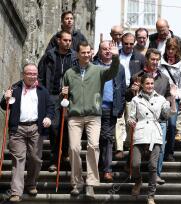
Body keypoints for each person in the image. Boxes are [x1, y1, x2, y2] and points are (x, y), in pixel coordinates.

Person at [61, 41, 119, 198]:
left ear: (91, 53)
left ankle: (91, 184)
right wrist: (63, 93)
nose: (86, 55)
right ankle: (76, 182)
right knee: (73, 148)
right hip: (74, 116)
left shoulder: (98, 70)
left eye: (88, 52)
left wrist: (115, 57)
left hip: (94, 115)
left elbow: (113, 72)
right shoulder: (69, 73)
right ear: (77, 54)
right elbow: (63, 96)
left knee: (93, 146)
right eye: (83, 52)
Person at [0, 63, 54, 202]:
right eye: (29, 73)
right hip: (18, 129)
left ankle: (31, 183)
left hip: (36, 128)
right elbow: (4, 106)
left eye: (34, 73)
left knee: (35, 159)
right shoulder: (15, 88)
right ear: (23, 74)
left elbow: (51, 106)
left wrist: (48, 117)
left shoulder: (42, 90)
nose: (32, 76)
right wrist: (5, 97)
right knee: (18, 159)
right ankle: (16, 191)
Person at [128, 73, 176, 204]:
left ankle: (151, 195)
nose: (149, 86)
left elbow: (167, 115)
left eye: (151, 83)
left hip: (155, 133)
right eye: (147, 83)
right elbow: (131, 116)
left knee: (153, 166)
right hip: (140, 133)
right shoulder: (135, 100)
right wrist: (131, 121)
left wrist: (172, 98)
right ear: (142, 85)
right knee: (135, 164)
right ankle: (138, 181)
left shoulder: (161, 99)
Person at [126, 48, 171, 185]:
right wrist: (132, 90)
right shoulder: (137, 76)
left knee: (160, 148)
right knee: (136, 150)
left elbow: (168, 95)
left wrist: (169, 102)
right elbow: (128, 97)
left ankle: (156, 174)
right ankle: (134, 174)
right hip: (141, 121)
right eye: (153, 59)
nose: (155, 62)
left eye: (158, 60)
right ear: (147, 59)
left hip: (159, 121)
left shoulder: (164, 78)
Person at [38, 30, 77, 172]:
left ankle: (65, 152)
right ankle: (54, 159)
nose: (68, 43)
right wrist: (43, 94)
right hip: (52, 95)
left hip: (70, 97)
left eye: (70, 40)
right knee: (54, 128)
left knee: (67, 125)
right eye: (65, 40)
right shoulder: (48, 57)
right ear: (58, 40)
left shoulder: (75, 57)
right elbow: (40, 77)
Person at [92, 40, 126, 182]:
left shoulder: (119, 68)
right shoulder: (93, 66)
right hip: (94, 108)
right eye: (104, 49)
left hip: (110, 108)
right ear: (99, 51)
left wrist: (120, 107)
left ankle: (106, 170)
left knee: (106, 138)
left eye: (109, 49)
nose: (107, 51)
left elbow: (122, 89)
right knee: (98, 139)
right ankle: (100, 168)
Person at [115, 32, 145, 159]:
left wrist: (139, 85)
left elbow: (145, 73)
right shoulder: (116, 55)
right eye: (126, 43)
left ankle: (128, 144)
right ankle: (119, 147)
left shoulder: (140, 57)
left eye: (131, 44)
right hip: (118, 90)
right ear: (121, 42)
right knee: (118, 120)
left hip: (132, 92)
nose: (128, 46)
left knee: (130, 120)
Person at [159, 37, 181, 161]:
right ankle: (157, 151)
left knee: (171, 125)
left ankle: (169, 152)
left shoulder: (180, 65)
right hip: (160, 97)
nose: (170, 51)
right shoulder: (160, 62)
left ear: (177, 50)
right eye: (168, 48)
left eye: (173, 49)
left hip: (173, 98)